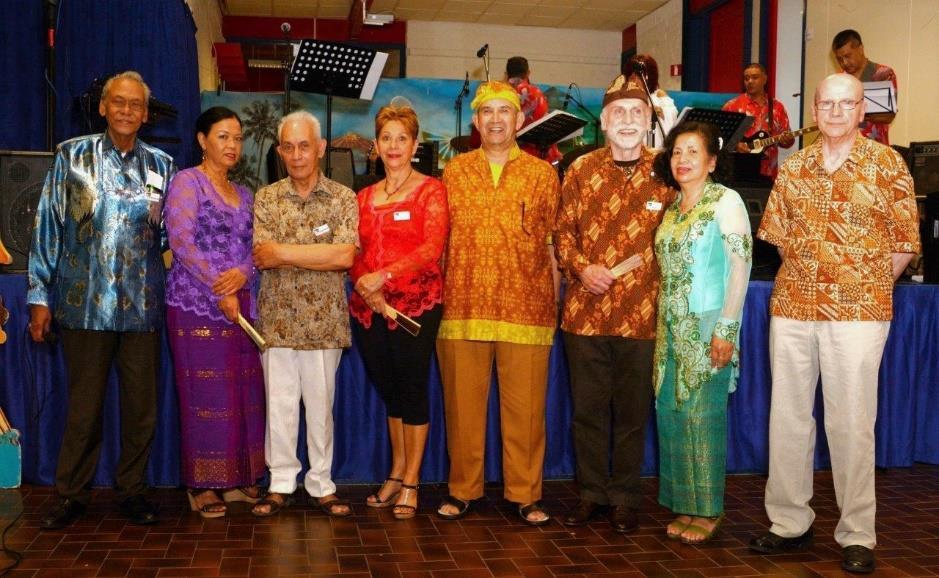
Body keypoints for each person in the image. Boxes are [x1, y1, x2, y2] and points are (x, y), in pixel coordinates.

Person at [749, 73, 919, 574]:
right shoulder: (795, 167)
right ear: (816, 110)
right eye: (828, 103)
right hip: (794, 309)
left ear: (862, 110)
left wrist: (859, 285)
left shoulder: (887, 165)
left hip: (858, 314)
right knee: (789, 419)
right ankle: (788, 523)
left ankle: (857, 533)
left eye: (847, 103)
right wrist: (814, 276)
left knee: (851, 423)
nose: (837, 112)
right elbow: (779, 239)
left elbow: (905, 244)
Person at [28, 71, 175, 530]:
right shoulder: (71, 157)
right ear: (104, 107)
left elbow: (172, 237)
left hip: (143, 307)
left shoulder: (162, 167)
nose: (128, 110)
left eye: (136, 104)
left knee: (140, 409)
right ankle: (72, 495)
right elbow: (48, 227)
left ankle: (133, 491)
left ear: (146, 114)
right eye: (119, 102)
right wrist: (38, 294)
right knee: (84, 408)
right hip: (83, 304)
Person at [554, 75, 675, 533]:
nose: (627, 121)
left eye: (636, 114)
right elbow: (563, 233)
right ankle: (590, 494)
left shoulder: (667, 170)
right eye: (618, 114)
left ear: (649, 121)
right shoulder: (581, 169)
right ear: (603, 123)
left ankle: (625, 497)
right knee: (587, 413)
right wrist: (583, 269)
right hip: (585, 315)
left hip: (643, 318)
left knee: (630, 415)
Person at [435, 81, 560, 526]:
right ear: (475, 121)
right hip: (463, 305)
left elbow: (552, 245)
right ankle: (462, 490)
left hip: (526, 308)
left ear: (519, 121)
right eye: (486, 112)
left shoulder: (543, 175)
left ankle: (525, 494)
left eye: (503, 112)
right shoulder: (454, 172)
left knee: (526, 412)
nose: (494, 120)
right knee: (463, 409)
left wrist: (556, 302)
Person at [251, 110, 358, 518]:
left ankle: (321, 483)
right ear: (280, 151)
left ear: (321, 148)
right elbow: (263, 255)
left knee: (320, 407)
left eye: (305, 146)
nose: (297, 155)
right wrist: (317, 255)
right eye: (289, 147)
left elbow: (344, 255)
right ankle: (280, 483)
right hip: (276, 321)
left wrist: (285, 253)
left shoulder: (344, 199)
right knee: (278, 407)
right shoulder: (266, 198)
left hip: (325, 322)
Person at [652, 121, 752, 544]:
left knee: (703, 418)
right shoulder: (672, 208)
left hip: (709, 324)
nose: (683, 160)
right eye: (677, 152)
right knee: (672, 416)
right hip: (669, 328)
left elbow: (740, 267)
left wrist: (727, 328)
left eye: (693, 152)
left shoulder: (725, 201)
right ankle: (684, 505)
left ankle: (708, 509)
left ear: (712, 161)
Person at [164, 106, 265, 518]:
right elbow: (182, 242)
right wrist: (218, 287)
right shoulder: (188, 183)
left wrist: (241, 276)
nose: (232, 145)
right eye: (223, 136)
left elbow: (255, 250)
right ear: (203, 140)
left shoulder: (246, 194)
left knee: (242, 396)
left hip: (240, 309)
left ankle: (239, 478)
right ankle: (203, 485)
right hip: (195, 307)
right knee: (205, 398)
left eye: (238, 138)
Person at [350, 105, 449, 520]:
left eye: (401, 139)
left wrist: (383, 278)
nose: (393, 146)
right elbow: (353, 249)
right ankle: (395, 472)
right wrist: (365, 284)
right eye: (386, 138)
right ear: (376, 146)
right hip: (369, 309)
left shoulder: (431, 191)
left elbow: (432, 249)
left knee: (411, 388)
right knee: (390, 388)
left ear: (414, 145)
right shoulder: (362, 196)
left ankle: (412, 481)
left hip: (415, 305)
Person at [722, 63, 794, 179]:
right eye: (746, 78)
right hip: (738, 171)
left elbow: (787, 142)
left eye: (755, 77)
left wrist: (787, 140)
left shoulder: (777, 107)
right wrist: (736, 145)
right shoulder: (732, 106)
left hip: (768, 172)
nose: (750, 81)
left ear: (765, 79)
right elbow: (720, 139)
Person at [832, 29, 897, 145]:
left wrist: (855, 111)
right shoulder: (838, 80)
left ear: (861, 49)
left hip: (875, 149)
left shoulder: (882, 73)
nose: (844, 63)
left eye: (847, 56)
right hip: (843, 149)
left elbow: (888, 116)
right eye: (839, 59)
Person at [505, 56, 562, 164]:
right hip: (538, 156)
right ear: (528, 73)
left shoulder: (504, 95)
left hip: (513, 156)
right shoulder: (536, 93)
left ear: (507, 74)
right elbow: (544, 122)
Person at [622, 53, 678, 150]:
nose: (633, 82)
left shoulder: (662, 99)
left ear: (649, 77)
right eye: (631, 78)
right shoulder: (624, 101)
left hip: (658, 157)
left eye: (638, 77)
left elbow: (670, 133)